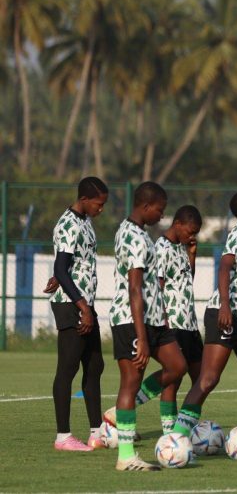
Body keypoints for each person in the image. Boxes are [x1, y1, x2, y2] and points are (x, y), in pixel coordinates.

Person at [169, 190, 237, 446]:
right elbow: (225, 266)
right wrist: (225, 305)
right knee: (208, 379)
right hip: (224, 314)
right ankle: (176, 438)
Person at [109, 181, 186, 471]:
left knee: (177, 367)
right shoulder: (133, 236)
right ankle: (126, 456)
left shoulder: (140, 233)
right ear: (145, 206)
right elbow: (134, 289)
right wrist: (141, 338)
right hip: (131, 320)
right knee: (131, 381)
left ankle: (118, 413)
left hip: (153, 319)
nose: (161, 216)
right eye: (159, 210)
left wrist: (162, 315)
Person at [49, 176, 108, 452]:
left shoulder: (85, 221)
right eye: (99, 203)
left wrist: (59, 277)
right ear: (84, 199)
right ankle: (63, 437)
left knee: (95, 364)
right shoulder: (68, 224)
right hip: (73, 305)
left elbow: (68, 265)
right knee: (68, 369)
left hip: (85, 304)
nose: (102, 208)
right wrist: (82, 307)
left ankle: (97, 431)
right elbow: (62, 268)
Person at [148, 205, 203, 435]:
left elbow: (185, 278)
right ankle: (170, 432)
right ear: (177, 224)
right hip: (174, 322)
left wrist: (192, 255)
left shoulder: (181, 247)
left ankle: (184, 426)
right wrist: (164, 319)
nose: (192, 237)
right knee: (174, 379)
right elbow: (157, 287)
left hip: (189, 322)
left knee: (201, 378)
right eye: (190, 231)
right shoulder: (161, 248)